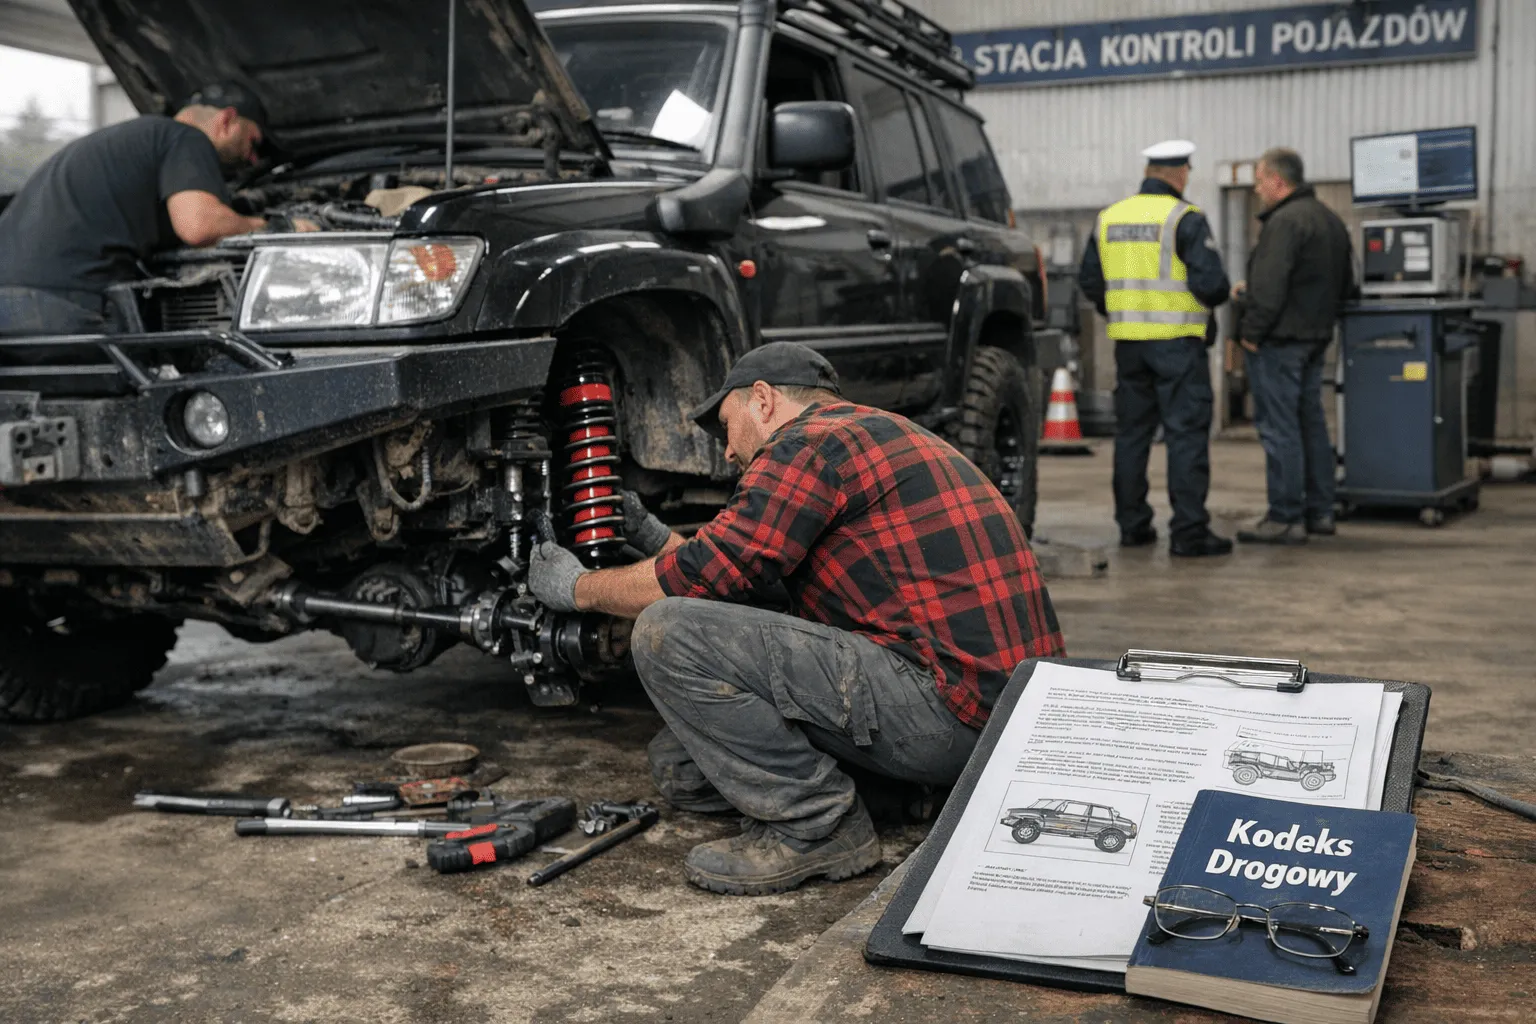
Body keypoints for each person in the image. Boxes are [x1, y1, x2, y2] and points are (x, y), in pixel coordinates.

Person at [528, 342, 1066, 896]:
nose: (727, 452)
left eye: (726, 427)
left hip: (954, 710)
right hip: (1007, 722)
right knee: (682, 767)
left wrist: (577, 589)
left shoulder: (809, 442)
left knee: (669, 633)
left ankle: (819, 826)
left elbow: (710, 576)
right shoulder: (874, 435)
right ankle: (909, 796)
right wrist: (654, 536)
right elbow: (750, 592)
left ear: (762, 400)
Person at [0, 81, 312, 338]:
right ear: (227, 120)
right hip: (66, 306)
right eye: (254, 142)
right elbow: (199, 226)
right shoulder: (185, 138)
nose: (254, 159)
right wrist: (279, 227)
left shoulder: (131, 141)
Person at [1079, 140, 1233, 558]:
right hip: (1178, 344)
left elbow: (1089, 280)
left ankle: (1132, 526)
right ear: (1180, 173)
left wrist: (1120, 311)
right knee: (1185, 436)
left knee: (1131, 435)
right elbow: (1212, 285)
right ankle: (1189, 532)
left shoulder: (1109, 218)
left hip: (1129, 346)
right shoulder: (1184, 218)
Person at [1234, 148, 1356, 545]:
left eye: (1259, 181)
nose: (1257, 190)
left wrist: (1251, 332)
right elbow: (1346, 285)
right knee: (1311, 424)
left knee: (1279, 428)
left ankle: (1284, 517)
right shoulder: (1330, 220)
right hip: (1316, 338)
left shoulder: (1284, 222)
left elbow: (1271, 288)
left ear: (1277, 181)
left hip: (1280, 342)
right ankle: (1320, 511)